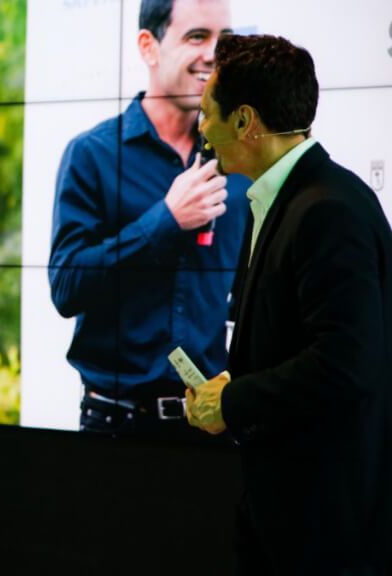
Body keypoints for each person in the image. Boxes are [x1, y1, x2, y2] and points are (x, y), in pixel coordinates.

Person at [188, 34, 392, 574]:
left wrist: (234, 402)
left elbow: (347, 363)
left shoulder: (328, 209)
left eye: (208, 113)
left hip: (325, 534)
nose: (201, 128)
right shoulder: (289, 199)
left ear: (244, 121)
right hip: (289, 519)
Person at [49, 0, 249, 437]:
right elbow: (65, 289)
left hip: (211, 430)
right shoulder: (94, 156)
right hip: (115, 426)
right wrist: (166, 221)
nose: (215, 53)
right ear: (148, 46)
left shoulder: (240, 164)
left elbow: (248, 296)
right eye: (197, 36)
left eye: (225, 40)